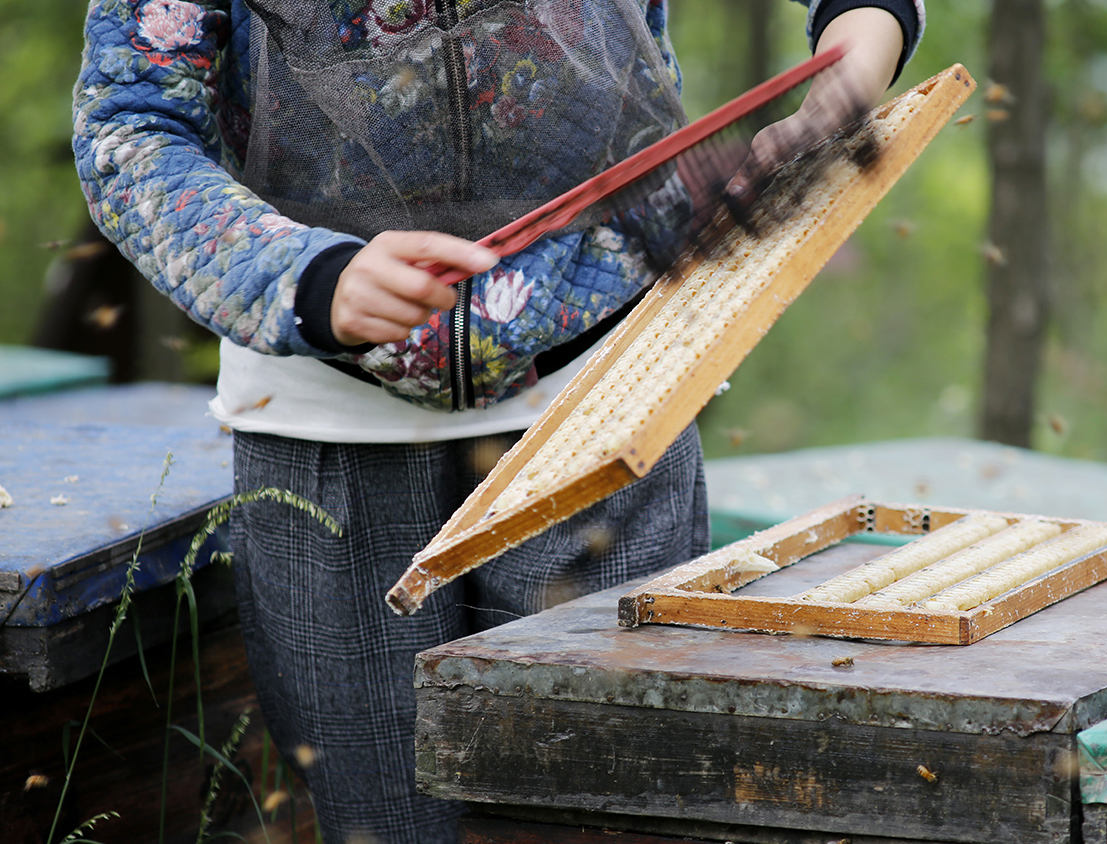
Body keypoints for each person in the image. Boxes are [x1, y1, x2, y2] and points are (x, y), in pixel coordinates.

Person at [74, 1, 923, 841]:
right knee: (383, 826)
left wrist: (862, 38)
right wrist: (309, 277)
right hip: (317, 429)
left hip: (606, 400)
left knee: (613, 815)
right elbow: (130, 127)